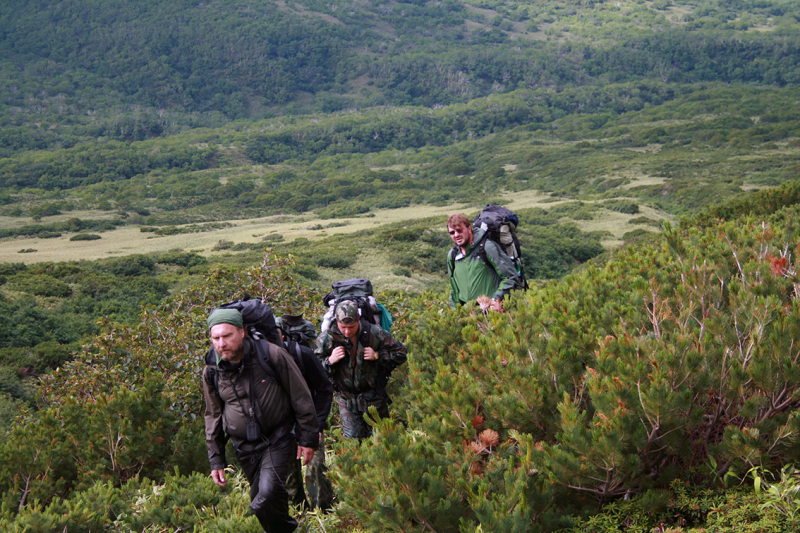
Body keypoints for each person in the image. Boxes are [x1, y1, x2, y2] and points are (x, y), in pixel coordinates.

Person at [202, 308, 319, 533]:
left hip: (278, 438)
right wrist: (216, 459)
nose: (221, 343)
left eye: (227, 336)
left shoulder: (272, 355)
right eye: (216, 338)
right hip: (243, 447)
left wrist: (308, 438)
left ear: (242, 332)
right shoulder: (212, 370)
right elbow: (213, 414)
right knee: (264, 499)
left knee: (264, 499)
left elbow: (301, 397)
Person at [315, 301, 407, 439]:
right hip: (346, 399)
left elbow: (401, 353)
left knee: (384, 438)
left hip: (373, 395)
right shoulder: (327, 338)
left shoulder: (374, 332)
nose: (347, 331)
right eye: (343, 327)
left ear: (358, 320)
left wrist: (378, 355)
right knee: (353, 440)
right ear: (336, 321)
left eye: (351, 327)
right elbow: (315, 370)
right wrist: (330, 360)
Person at [274, 316, 335, 512]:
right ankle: (299, 514)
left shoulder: (303, 354)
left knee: (316, 468)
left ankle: (323, 512)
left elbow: (324, 389)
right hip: (281, 427)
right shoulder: (261, 359)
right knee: (289, 475)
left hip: (308, 422)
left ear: (282, 333)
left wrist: (316, 424)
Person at [446, 213, 521, 312]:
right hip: (468, 314)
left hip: (492, 312)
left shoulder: (487, 247)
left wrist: (496, 300)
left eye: (460, 230)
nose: (456, 235)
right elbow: (454, 290)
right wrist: (455, 314)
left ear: (469, 229)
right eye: (452, 232)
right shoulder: (453, 255)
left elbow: (510, 277)